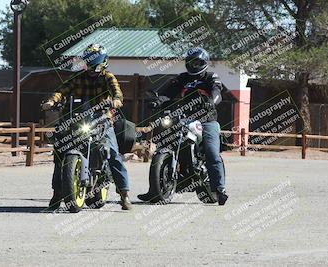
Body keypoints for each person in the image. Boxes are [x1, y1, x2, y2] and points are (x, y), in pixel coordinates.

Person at [42, 43, 132, 210]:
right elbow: (62, 90)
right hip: (77, 120)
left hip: (102, 119)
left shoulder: (108, 77)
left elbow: (117, 93)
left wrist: (116, 100)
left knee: (112, 153)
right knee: (60, 151)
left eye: (94, 61)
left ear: (103, 61)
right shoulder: (78, 77)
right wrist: (52, 100)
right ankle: (57, 193)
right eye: (89, 61)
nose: (91, 66)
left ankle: (124, 195)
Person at [137, 47, 228, 205]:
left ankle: (220, 189)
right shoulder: (181, 78)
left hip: (208, 120)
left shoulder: (211, 76)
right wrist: (157, 101)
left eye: (197, 62)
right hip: (185, 119)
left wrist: (211, 102)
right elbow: (168, 92)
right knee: (164, 144)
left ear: (204, 62)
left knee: (212, 153)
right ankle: (155, 191)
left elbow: (217, 92)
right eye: (191, 62)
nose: (193, 65)